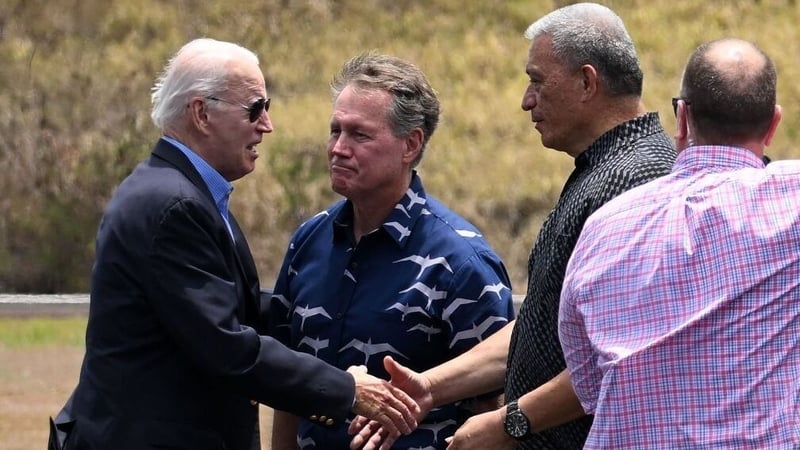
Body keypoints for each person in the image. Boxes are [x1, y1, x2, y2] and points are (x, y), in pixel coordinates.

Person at [48, 38, 421, 450]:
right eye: (255, 109)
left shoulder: (180, 193)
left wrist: (326, 309)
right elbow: (227, 348)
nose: (267, 125)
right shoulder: (174, 205)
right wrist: (348, 391)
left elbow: (232, 305)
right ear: (202, 113)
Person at [350, 3, 677, 450]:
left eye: (537, 81)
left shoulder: (635, 183)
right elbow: (545, 326)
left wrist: (509, 424)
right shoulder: (604, 169)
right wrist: (430, 387)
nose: (526, 99)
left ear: (586, 82)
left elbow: (619, 358)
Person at [266, 53, 515, 450]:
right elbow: (287, 380)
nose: (338, 149)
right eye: (335, 131)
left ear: (410, 144)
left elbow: (493, 405)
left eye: (359, 135)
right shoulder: (308, 242)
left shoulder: (459, 262)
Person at [559, 38, 799, 448]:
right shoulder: (791, 200)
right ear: (773, 125)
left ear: (682, 118)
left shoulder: (603, 226)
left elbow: (587, 380)